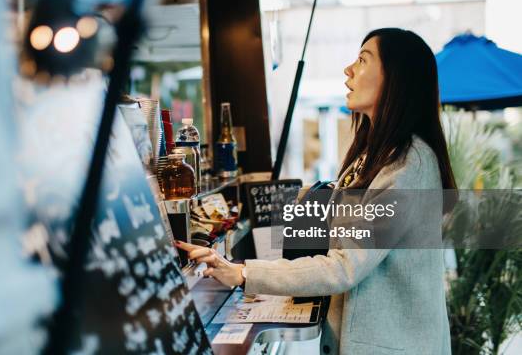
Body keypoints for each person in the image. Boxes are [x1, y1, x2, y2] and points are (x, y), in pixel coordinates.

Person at [177, 28, 457, 354]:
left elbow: (344, 266)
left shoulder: (409, 164)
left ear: (396, 79)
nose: (348, 69)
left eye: (363, 60)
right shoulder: (376, 153)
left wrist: (242, 272)